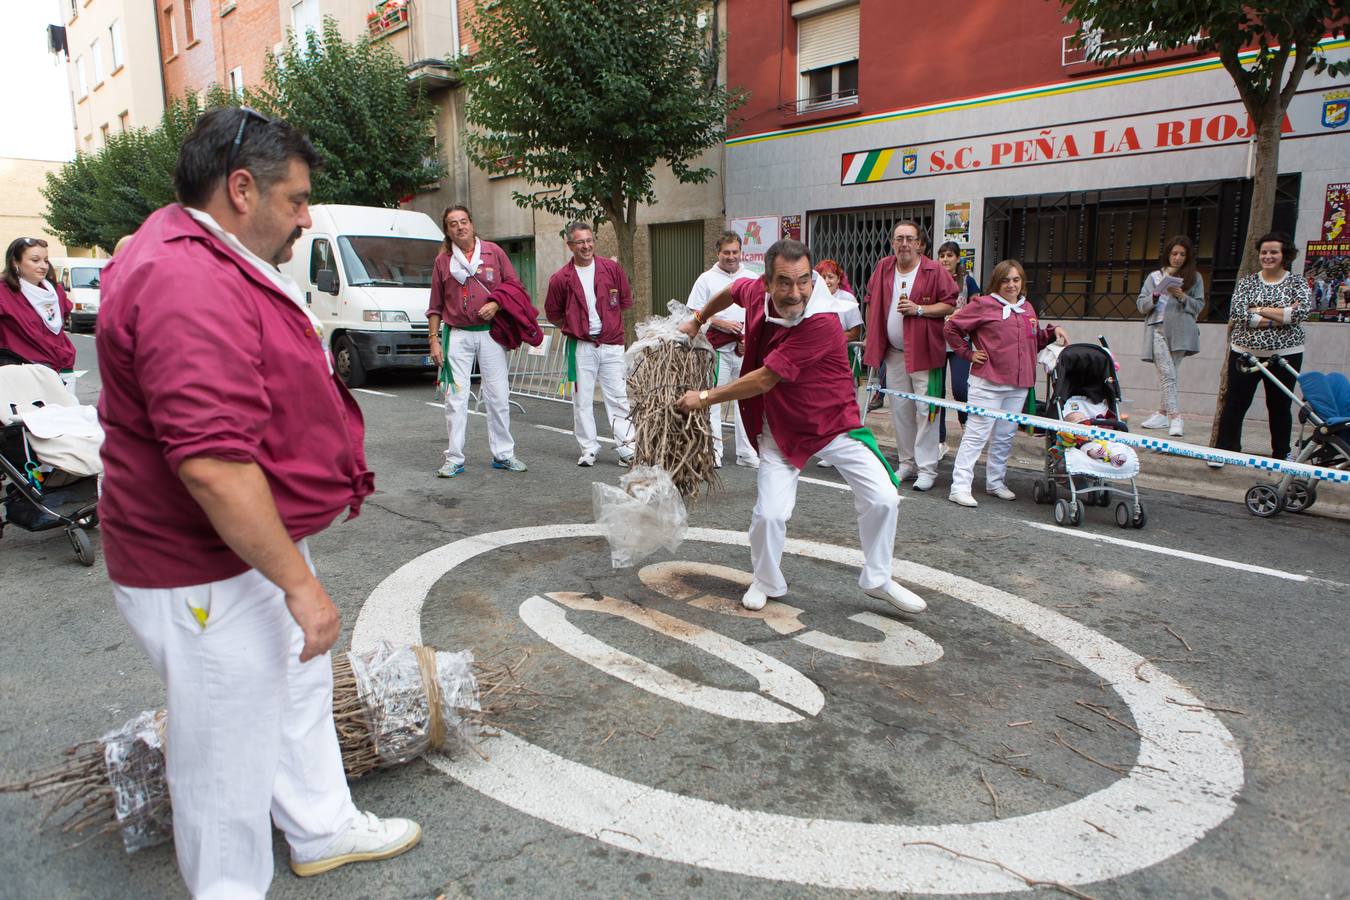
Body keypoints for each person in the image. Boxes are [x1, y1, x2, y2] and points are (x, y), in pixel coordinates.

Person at [96, 107, 420, 899]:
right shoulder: (183, 278)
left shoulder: (207, 250)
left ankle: (319, 827)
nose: (306, 217)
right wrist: (302, 585)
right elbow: (210, 464)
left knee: (295, 682)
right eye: (297, 199)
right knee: (225, 748)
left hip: (242, 544)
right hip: (199, 561)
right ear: (242, 189)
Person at [675, 239, 926, 616]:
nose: (796, 292)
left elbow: (764, 378)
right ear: (766, 282)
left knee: (884, 497)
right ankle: (766, 580)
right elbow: (729, 291)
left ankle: (877, 578)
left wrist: (705, 397)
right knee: (770, 514)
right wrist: (697, 319)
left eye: (804, 281)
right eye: (785, 282)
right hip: (781, 426)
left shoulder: (822, 323)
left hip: (833, 424)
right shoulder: (754, 292)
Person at [944, 259, 1068, 508]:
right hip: (987, 381)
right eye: (1006, 280)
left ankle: (995, 482)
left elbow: (1034, 339)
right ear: (996, 282)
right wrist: (968, 354)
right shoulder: (982, 304)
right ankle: (959, 487)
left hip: (1019, 383)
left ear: (1022, 282)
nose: (1011, 285)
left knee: (1005, 436)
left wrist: (1052, 332)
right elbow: (951, 328)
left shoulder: (1027, 308)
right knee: (976, 434)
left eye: (1016, 279)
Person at [426, 205, 528, 478]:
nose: (460, 227)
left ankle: (504, 454)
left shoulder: (494, 252)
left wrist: (496, 303)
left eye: (463, 221)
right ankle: (454, 458)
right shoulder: (443, 261)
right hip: (457, 335)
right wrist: (434, 340)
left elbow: (515, 286)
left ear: (472, 223)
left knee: (498, 396)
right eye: (453, 224)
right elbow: (435, 306)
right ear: (447, 231)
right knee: (455, 398)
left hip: (491, 334)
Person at [862, 221, 958, 491]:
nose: (904, 244)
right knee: (901, 410)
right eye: (899, 238)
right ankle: (907, 462)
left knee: (927, 411)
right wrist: (872, 333)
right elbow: (870, 299)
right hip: (893, 353)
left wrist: (919, 309)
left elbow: (949, 303)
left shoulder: (933, 270)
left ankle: (927, 468)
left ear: (919, 243)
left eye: (909, 239)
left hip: (925, 353)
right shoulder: (884, 266)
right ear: (893, 242)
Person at [1212, 232, 1313, 466]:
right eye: (1264, 252)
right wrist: (1281, 315)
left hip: (1285, 355)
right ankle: (1225, 451)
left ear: (1284, 255)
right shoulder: (1248, 282)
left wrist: (1258, 309)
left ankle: (1281, 453)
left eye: (1273, 252)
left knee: (1279, 405)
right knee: (1235, 403)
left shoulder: (1296, 282)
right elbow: (1238, 313)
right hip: (1244, 353)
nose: (1268, 256)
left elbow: (1300, 313)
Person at [544, 222, 636, 466]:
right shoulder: (560, 278)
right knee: (582, 399)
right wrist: (573, 325)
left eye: (588, 240)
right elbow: (553, 313)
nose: (585, 246)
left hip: (612, 343)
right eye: (579, 242)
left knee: (618, 397)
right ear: (570, 245)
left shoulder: (611, 269)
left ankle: (627, 449)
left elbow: (625, 300)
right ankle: (588, 449)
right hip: (581, 346)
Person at [686, 231, 758, 468]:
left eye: (735, 252)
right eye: (726, 252)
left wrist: (748, 337)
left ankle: (747, 453)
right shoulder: (705, 279)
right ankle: (713, 451)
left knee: (746, 399)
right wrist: (721, 322)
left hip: (745, 347)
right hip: (716, 349)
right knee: (712, 400)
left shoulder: (752, 277)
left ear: (741, 252)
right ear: (717, 253)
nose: (731, 257)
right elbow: (694, 312)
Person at [1136, 236, 1204, 437]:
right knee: (1167, 373)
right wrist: (1155, 296)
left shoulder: (1194, 277)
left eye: (1182, 254)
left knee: (1171, 374)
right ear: (1167, 254)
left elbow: (1199, 306)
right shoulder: (1154, 277)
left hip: (1182, 332)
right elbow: (1141, 305)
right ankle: (1176, 417)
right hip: (1157, 329)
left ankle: (1162, 413)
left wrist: (1181, 295)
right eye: (1174, 253)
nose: (1178, 258)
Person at [0, 237, 77, 371]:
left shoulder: (55, 291)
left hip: (61, 368)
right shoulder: (4, 292)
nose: (43, 266)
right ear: (15, 262)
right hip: (24, 372)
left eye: (46, 260)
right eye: (35, 260)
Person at [935, 241, 981, 434]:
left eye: (950, 255)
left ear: (958, 258)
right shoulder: (933, 279)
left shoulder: (967, 281)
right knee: (936, 393)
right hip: (936, 341)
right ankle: (939, 439)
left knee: (960, 389)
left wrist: (961, 314)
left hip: (959, 342)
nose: (945, 259)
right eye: (942, 255)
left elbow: (978, 306)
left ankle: (965, 422)